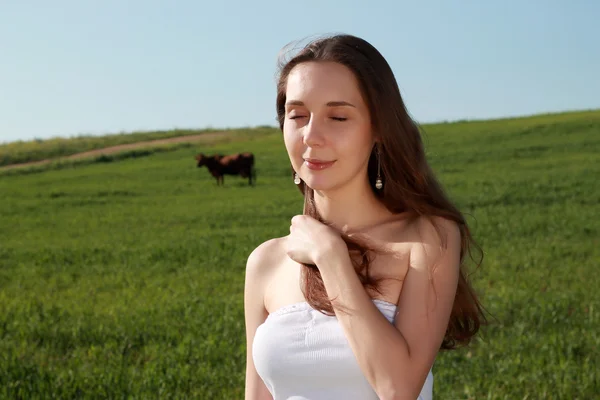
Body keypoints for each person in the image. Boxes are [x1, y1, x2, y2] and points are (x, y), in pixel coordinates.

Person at [244, 33, 486, 400]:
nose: (312, 135)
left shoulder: (428, 237)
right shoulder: (266, 262)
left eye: (338, 116)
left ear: (378, 129)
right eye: (298, 115)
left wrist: (330, 257)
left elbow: (398, 388)